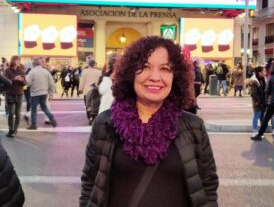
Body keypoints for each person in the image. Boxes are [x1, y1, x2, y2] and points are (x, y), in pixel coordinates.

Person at [80, 36, 218, 207]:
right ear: (130, 73)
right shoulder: (106, 124)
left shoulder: (193, 126)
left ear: (175, 76)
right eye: (145, 67)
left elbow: (208, 187)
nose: (155, 77)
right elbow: (90, 185)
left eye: (165, 69)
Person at [25, 57, 57, 130]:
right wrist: (51, 94)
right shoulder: (46, 72)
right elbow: (52, 84)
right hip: (44, 93)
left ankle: (33, 125)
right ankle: (51, 118)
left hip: (35, 93)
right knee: (44, 107)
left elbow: (28, 83)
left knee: (33, 109)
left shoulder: (32, 72)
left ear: (33, 64)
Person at [4, 56, 26, 137]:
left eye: (19, 60)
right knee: (11, 113)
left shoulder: (21, 70)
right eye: (17, 60)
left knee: (18, 113)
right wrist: (15, 79)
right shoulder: (7, 70)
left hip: (19, 94)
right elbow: (6, 82)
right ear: (13, 61)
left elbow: (24, 83)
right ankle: (10, 130)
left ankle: (15, 130)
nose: (19, 62)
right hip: (10, 94)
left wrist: (22, 81)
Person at [79, 59, 102, 124]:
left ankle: (90, 118)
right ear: (95, 64)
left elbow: (82, 82)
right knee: (95, 105)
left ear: (88, 64)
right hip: (96, 91)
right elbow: (100, 82)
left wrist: (80, 89)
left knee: (88, 105)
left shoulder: (84, 72)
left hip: (86, 91)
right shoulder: (99, 72)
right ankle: (94, 118)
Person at [249, 66, 267, 137]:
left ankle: (260, 132)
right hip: (257, 102)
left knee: (262, 117)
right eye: (264, 71)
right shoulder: (254, 80)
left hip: (263, 101)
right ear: (260, 72)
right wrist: (259, 101)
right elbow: (253, 93)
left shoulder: (263, 79)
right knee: (256, 116)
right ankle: (254, 131)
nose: (265, 72)